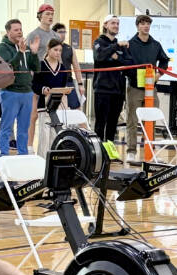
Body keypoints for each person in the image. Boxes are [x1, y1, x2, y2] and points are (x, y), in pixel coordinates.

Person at [124, 14, 169, 163]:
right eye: (142, 23)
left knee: (151, 120)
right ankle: (131, 151)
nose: (145, 26)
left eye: (148, 23)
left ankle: (150, 151)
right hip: (135, 88)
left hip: (151, 89)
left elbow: (164, 60)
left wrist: (158, 74)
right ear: (137, 26)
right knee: (132, 120)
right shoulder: (130, 44)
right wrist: (135, 76)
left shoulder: (155, 44)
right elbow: (126, 66)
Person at [0, 17, 39, 155]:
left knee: (24, 128)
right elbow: (9, 67)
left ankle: (23, 155)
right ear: (8, 32)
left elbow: (36, 68)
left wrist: (33, 52)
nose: (20, 32)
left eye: (20, 29)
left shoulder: (24, 47)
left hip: (27, 92)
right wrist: (20, 52)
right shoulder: (2, 47)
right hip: (10, 92)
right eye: (16, 30)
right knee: (6, 127)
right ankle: (3, 155)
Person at [30, 37, 77, 152]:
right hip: (44, 106)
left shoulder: (63, 68)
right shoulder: (41, 65)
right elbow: (34, 85)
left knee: (56, 137)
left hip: (58, 106)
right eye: (55, 50)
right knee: (44, 137)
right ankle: (42, 163)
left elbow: (62, 86)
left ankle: (53, 165)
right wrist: (43, 89)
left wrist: (66, 90)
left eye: (60, 51)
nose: (58, 53)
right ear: (48, 49)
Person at [92, 14, 129, 145]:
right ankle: (98, 151)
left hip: (118, 90)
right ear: (105, 25)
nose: (116, 26)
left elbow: (128, 63)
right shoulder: (98, 42)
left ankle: (109, 152)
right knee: (101, 123)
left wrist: (116, 58)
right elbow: (100, 56)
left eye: (118, 23)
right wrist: (114, 48)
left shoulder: (121, 45)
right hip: (102, 89)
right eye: (113, 23)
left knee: (113, 124)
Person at [51, 21, 86, 95]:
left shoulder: (69, 48)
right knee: (54, 105)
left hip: (68, 82)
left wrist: (80, 84)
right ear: (54, 33)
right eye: (60, 32)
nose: (63, 34)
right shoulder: (49, 48)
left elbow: (76, 67)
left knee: (74, 105)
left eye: (64, 32)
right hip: (53, 82)